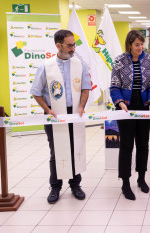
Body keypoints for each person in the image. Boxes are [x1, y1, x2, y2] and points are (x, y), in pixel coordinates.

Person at [31, 29, 91, 204]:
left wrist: (81, 106)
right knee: (56, 150)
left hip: (74, 113)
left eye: (74, 44)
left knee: (75, 147)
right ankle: (55, 186)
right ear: (58, 46)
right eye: (69, 45)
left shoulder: (79, 65)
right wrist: (47, 110)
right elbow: (36, 92)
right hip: (55, 113)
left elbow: (86, 87)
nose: (73, 48)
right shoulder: (46, 66)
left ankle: (75, 184)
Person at [110, 30, 150, 200]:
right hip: (125, 107)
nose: (140, 47)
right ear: (129, 45)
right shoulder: (119, 61)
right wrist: (120, 102)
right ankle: (125, 182)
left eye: (142, 44)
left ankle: (142, 178)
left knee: (143, 144)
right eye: (137, 45)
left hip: (144, 106)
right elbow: (114, 87)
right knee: (126, 146)